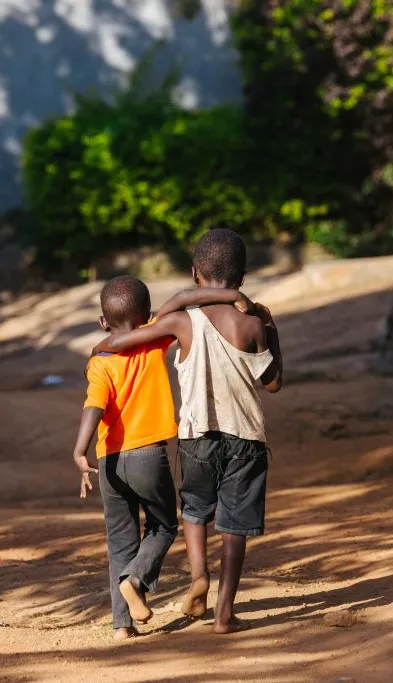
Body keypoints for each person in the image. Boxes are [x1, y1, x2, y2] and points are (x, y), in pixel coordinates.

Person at [91, 229, 283, 634]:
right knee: (234, 527)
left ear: (196, 273)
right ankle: (224, 614)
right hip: (245, 437)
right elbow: (273, 383)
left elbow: (123, 340)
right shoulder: (252, 325)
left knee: (194, 511)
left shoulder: (181, 321)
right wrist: (271, 329)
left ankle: (199, 577)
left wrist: (102, 347)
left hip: (196, 436)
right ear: (242, 277)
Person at [72, 274, 254, 640]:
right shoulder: (155, 337)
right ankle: (135, 580)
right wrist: (233, 294)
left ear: (103, 322)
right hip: (148, 456)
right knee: (162, 526)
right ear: (148, 314)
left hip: (109, 461)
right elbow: (184, 297)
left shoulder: (100, 361)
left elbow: (94, 406)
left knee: (119, 538)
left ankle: (122, 626)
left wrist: (79, 450)